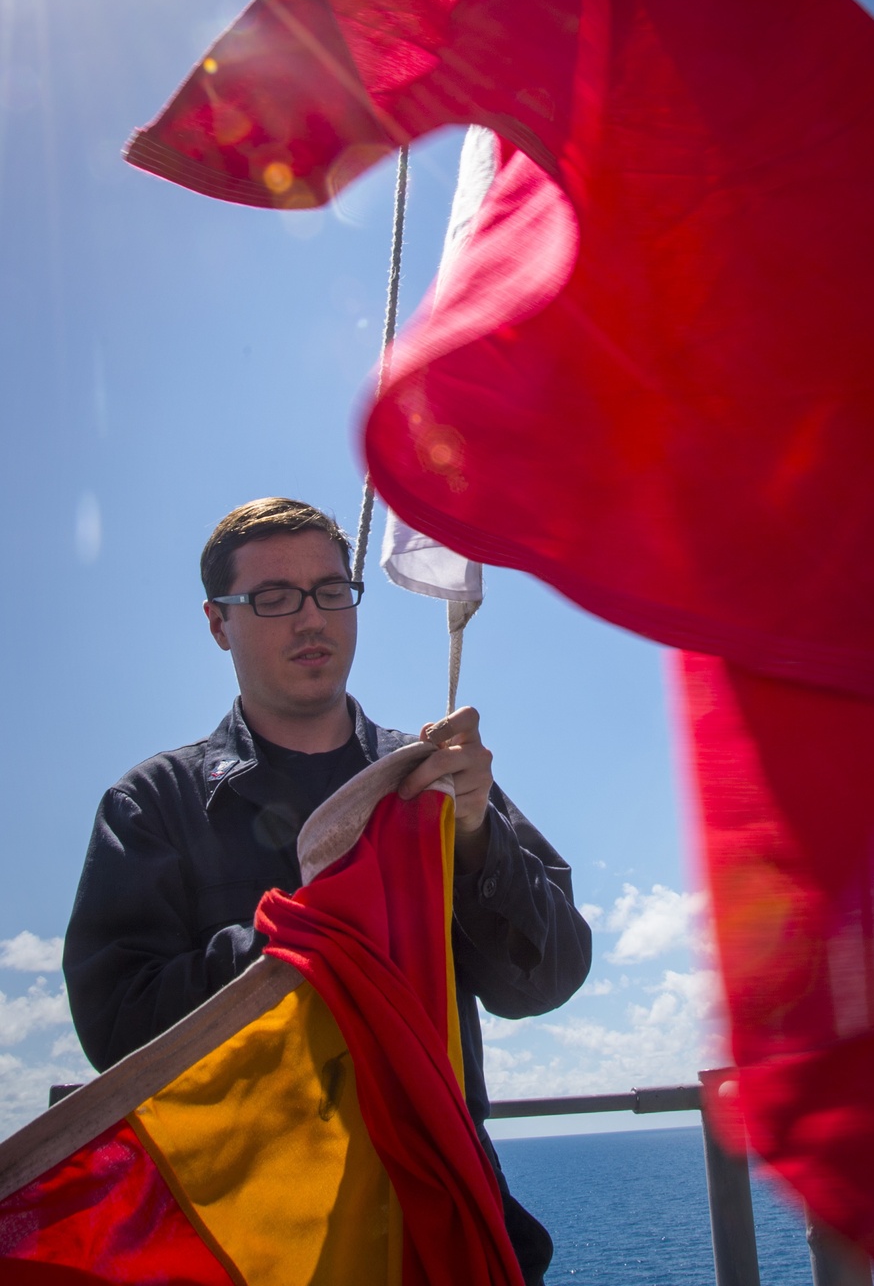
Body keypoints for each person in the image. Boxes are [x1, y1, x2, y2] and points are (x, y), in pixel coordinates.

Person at [64, 497, 591, 1284]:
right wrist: (306, 933)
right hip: (257, 1246)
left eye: (330, 590)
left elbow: (546, 979)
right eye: (273, 598)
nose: (310, 618)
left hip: (444, 1225)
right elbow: (117, 1028)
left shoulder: (431, 785)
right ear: (218, 624)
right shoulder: (153, 805)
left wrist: (476, 834)